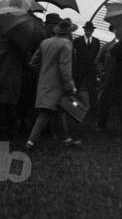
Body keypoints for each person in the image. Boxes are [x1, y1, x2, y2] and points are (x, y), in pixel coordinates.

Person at [24, 18, 81, 149]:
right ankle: (30, 142)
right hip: (59, 84)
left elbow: (33, 62)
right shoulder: (66, 44)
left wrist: (45, 73)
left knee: (58, 111)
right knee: (47, 112)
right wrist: (70, 86)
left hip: (44, 82)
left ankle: (67, 139)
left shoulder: (45, 42)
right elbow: (64, 67)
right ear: (68, 32)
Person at [73, 21, 101, 110]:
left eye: (90, 30)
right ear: (84, 30)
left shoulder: (96, 41)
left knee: (92, 88)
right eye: (87, 30)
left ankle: (93, 108)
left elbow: (97, 54)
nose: (88, 31)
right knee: (77, 85)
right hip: (80, 67)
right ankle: (74, 106)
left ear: (92, 31)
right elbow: (73, 53)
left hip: (91, 68)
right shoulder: (78, 40)